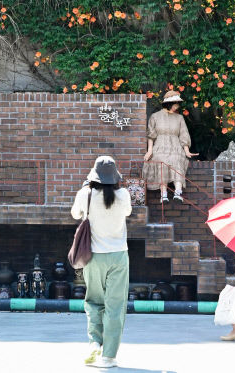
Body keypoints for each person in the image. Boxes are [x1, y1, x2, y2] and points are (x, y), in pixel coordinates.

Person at [71, 155, 132, 370]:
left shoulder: (85, 194)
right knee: (115, 307)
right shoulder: (124, 195)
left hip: (94, 257)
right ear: (115, 176)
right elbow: (128, 212)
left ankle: (95, 342)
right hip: (118, 256)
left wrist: (86, 188)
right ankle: (108, 357)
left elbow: (75, 214)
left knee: (94, 302)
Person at [142, 89, 197, 202]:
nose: (178, 105)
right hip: (160, 146)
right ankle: (163, 194)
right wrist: (150, 150)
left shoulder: (179, 118)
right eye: (176, 103)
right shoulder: (155, 116)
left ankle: (178, 192)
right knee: (161, 160)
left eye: (178, 103)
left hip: (175, 146)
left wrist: (186, 150)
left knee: (177, 160)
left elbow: (183, 134)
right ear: (169, 103)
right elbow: (151, 135)